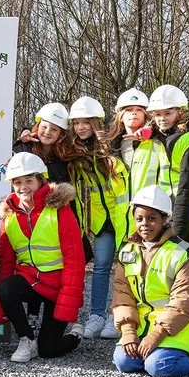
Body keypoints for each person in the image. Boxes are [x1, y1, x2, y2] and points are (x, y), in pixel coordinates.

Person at [112, 185, 189, 377]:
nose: (144, 224)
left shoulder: (185, 254)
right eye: (139, 219)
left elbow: (184, 302)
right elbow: (122, 296)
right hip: (144, 324)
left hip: (182, 325)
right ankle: (153, 353)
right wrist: (128, 332)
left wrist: (156, 336)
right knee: (124, 362)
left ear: (165, 219)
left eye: (152, 218)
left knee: (158, 366)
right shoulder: (127, 252)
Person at [0, 152, 86, 363]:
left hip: (57, 286)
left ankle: (75, 335)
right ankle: (27, 338)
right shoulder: (9, 217)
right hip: (31, 283)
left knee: (49, 350)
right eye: (17, 182)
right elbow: (5, 264)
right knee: (7, 286)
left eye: (29, 181)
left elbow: (75, 260)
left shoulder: (60, 211)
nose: (23, 187)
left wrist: (67, 304)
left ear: (40, 180)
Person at [143, 85, 189, 347]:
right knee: (162, 270)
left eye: (168, 113)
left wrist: (180, 227)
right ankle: (164, 326)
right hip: (159, 214)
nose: (162, 118)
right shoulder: (153, 137)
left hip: (184, 215)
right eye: (158, 114)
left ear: (180, 112)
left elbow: (188, 186)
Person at [67, 96, 129, 340]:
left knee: (126, 269)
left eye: (86, 122)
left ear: (97, 122)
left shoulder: (114, 145)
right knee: (101, 267)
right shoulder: (75, 150)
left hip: (125, 218)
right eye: (77, 123)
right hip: (102, 221)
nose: (81, 127)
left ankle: (120, 317)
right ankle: (96, 316)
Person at [107, 88, 153, 198]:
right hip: (124, 209)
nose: (134, 112)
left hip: (150, 205)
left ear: (145, 115)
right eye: (128, 109)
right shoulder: (112, 145)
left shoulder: (155, 140)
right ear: (121, 117)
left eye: (139, 109)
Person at [13, 103, 75, 184]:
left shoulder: (66, 155)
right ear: (38, 127)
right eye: (44, 127)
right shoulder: (24, 150)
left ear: (61, 134)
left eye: (54, 130)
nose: (47, 132)